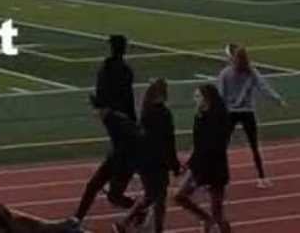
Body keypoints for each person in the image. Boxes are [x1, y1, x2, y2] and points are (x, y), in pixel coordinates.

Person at [113, 79, 180, 233]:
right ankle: (132, 223)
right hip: (157, 161)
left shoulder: (146, 111)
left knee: (152, 195)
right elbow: (169, 140)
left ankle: (126, 223)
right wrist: (174, 164)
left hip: (145, 161)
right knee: (158, 197)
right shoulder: (163, 113)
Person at [218, 45, 287, 188]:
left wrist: (218, 112)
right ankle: (262, 178)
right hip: (247, 112)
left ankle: (219, 178)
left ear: (232, 58)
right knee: (254, 146)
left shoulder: (225, 73)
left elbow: (221, 95)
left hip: (230, 113)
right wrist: (278, 100)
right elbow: (264, 88)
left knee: (222, 146)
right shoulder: (252, 72)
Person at [71, 94, 138, 226]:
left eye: (94, 109)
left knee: (114, 197)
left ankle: (139, 208)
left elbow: (132, 142)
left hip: (125, 162)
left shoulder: (116, 121)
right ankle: (77, 219)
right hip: (115, 158)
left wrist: (117, 173)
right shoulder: (110, 118)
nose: (93, 113)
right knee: (92, 186)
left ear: (102, 109)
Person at [174, 84, 232, 233]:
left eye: (198, 96)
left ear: (207, 98)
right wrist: (189, 162)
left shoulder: (218, 116)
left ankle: (213, 223)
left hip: (214, 167)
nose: (195, 99)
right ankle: (207, 219)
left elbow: (213, 145)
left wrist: (196, 170)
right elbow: (198, 142)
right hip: (199, 165)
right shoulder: (200, 114)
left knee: (217, 211)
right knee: (179, 196)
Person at [95, 34, 136, 121]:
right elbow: (128, 95)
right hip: (119, 111)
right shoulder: (124, 70)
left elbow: (101, 88)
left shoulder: (107, 67)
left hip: (113, 111)